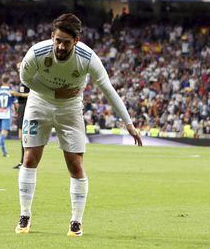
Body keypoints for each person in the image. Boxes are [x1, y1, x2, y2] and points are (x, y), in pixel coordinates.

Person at [15, 13, 142, 236]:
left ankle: (76, 221)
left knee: (75, 164)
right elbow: (25, 80)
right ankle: (25, 215)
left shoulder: (88, 58)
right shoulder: (36, 52)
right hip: (39, 103)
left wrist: (128, 123)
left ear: (77, 41)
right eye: (58, 40)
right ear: (51, 36)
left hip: (70, 108)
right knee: (29, 158)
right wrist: (55, 91)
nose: (61, 46)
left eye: (66, 42)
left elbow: (108, 89)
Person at [11, 62, 30, 169]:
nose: (18, 69)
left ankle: (25, 162)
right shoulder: (21, 81)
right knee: (21, 137)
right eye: (17, 68)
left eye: (20, 67)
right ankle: (23, 161)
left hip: (27, 109)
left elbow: (33, 94)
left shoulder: (28, 80)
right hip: (21, 110)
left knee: (25, 137)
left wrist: (18, 94)